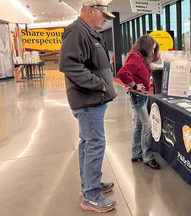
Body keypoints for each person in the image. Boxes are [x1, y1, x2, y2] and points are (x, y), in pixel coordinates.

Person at [59, 0, 117, 213]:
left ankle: (89, 185)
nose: (105, 20)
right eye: (103, 15)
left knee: (88, 143)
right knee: (94, 144)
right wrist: (99, 85)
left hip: (92, 100)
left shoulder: (88, 32)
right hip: (88, 100)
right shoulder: (77, 31)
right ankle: (92, 196)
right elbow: (68, 64)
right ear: (91, 11)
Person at [117, 34, 161, 170]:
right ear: (146, 46)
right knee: (147, 125)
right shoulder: (136, 58)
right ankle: (147, 157)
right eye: (152, 49)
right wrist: (134, 85)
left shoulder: (138, 57)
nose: (153, 52)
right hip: (138, 96)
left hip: (140, 96)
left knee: (139, 125)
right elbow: (121, 73)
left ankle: (136, 153)